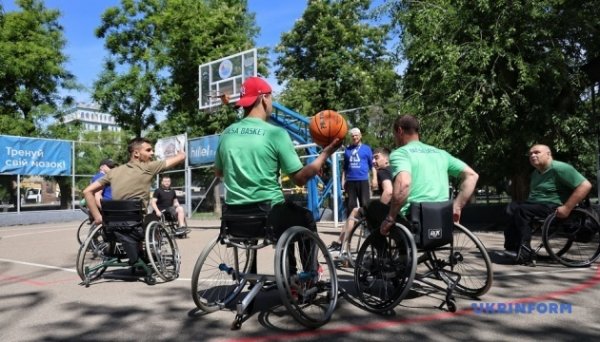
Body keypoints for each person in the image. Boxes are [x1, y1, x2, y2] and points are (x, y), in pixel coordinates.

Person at [215, 76, 341, 239]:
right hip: (269, 218)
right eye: (271, 97)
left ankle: (287, 263)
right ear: (263, 99)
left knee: (288, 212)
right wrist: (325, 154)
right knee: (306, 217)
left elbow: (219, 173)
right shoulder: (276, 133)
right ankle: (311, 265)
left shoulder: (226, 134)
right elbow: (300, 179)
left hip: (234, 219)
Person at [83, 137, 185, 264]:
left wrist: (98, 217)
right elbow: (180, 158)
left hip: (113, 226)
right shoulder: (148, 167)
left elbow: (87, 191)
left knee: (139, 221)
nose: (152, 153)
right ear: (136, 153)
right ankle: (152, 252)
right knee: (153, 220)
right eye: (148, 150)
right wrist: (181, 153)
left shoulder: (113, 172)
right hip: (137, 227)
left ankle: (135, 253)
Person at [379, 114, 479, 236]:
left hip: (413, 221)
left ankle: (383, 250)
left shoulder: (400, 153)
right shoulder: (441, 153)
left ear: (399, 131)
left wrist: (390, 217)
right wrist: (457, 206)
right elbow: (472, 175)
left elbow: (404, 184)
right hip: (441, 219)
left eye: (394, 135)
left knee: (371, 208)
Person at [502, 144, 592, 263]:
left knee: (522, 210)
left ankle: (525, 253)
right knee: (511, 208)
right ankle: (513, 247)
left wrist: (567, 208)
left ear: (548, 154)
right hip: (538, 205)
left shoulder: (561, 168)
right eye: (530, 154)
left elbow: (585, 186)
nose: (532, 155)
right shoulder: (535, 173)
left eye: (537, 152)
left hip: (554, 206)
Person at [328, 147, 393, 252]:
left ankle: (340, 243)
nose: (373, 161)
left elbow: (389, 191)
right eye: (373, 159)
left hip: (388, 212)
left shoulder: (382, 172)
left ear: (386, 159)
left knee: (354, 212)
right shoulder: (395, 170)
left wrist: (378, 209)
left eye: (376, 158)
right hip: (396, 210)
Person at [342, 128, 376, 219]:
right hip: (350, 181)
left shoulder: (367, 149)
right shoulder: (347, 150)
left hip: (363, 180)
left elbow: (372, 165)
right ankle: (350, 227)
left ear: (360, 136)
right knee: (350, 205)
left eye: (356, 135)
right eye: (352, 136)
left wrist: (374, 178)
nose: (354, 137)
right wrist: (343, 180)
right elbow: (345, 168)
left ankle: (367, 226)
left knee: (365, 204)